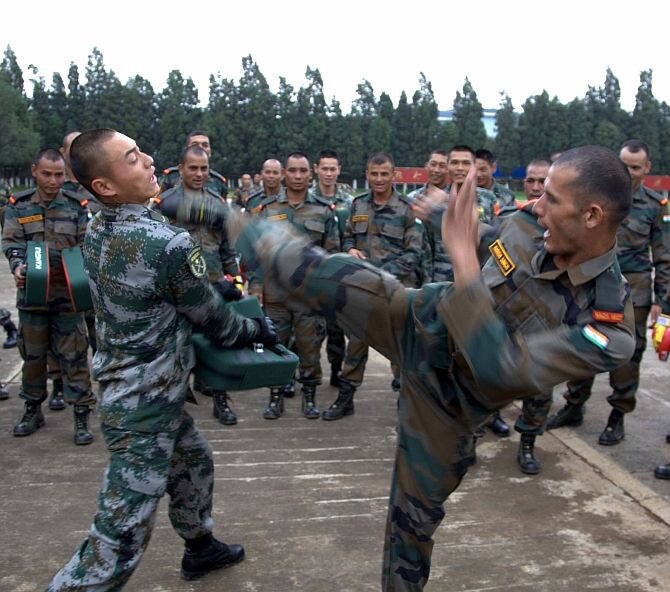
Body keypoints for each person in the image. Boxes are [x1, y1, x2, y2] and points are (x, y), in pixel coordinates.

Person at [231, 145, 636, 591]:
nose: (537, 205)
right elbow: (492, 240)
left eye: (552, 199)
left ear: (593, 215)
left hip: (448, 405)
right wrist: (451, 216)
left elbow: (500, 369)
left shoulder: (607, 326)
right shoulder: (525, 224)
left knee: (411, 523)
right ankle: (217, 220)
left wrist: (463, 261)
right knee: (319, 271)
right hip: (417, 320)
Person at [45, 128, 278, 590]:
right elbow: (214, 321)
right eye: (132, 158)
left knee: (193, 463)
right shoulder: (166, 242)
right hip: (143, 404)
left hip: (139, 388)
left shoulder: (98, 226)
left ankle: (199, 546)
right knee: (117, 540)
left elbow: (158, 291)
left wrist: (212, 287)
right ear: (104, 186)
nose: (150, 160)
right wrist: (254, 329)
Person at [547, 140, 670, 446]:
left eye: (635, 167)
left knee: (628, 354)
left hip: (635, 291)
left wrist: (661, 302)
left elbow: (664, 256)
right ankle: (574, 405)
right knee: (582, 341)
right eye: (624, 164)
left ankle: (618, 415)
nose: (629, 172)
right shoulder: (595, 195)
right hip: (592, 283)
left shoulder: (655, 206)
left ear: (647, 169)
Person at [2, 149, 95, 445]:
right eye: (47, 174)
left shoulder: (76, 206)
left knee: (75, 355)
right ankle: (32, 409)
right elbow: (12, 242)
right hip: (32, 295)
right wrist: (18, 267)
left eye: (58, 174)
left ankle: (81, 413)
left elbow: (87, 245)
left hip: (68, 295)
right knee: (32, 356)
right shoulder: (19, 206)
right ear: (34, 171)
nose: (53, 181)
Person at [322, 152, 422, 420]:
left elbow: (414, 254)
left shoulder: (406, 208)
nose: (379, 179)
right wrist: (351, 249)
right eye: (374, 174)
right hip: (362, 293)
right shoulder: (357, 206)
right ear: (367, 174)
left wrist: (380, 275)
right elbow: (346, 239)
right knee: (355, 345)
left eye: (384, 174)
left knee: (400, 349)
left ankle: (408, 404)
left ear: (393, 175)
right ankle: (346, 398)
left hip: (395, 292)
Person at [152, 145, 243, 426]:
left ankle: (221, 401)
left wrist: (236, 278)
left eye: (204, 168)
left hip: (213, 286)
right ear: (181, 168)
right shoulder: (165, 203)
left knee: (219, 343)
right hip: (177, 290)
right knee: (176, 350)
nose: (199, 173)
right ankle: (174, 408)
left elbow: (227, 247)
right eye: (193, 168)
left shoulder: (217, 202)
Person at [249, 151, 340, 420]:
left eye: (302, 171)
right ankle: (275, 397)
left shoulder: (323, 211)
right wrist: (255, 289)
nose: (298, 176)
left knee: (310, 348)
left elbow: (333, 254)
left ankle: (309, 396)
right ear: (284, 173)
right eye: (293, 171)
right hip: (276, 294)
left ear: (310, 173)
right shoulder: (268, 209)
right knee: (277, 346)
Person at [506, 157, 554, 473]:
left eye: (542, 183)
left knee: (539, 390)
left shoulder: (568, 224)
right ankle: (469, 440)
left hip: (546, 321)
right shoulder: (510, 221)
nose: (535, 188)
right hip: (508, 317)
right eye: (531, 181)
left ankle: (527, 444)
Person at [312, 149, 354, 385]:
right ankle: (307, 373)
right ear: (316, 169)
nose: (329, 173)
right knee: (309, 329)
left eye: (333, 169)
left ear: (339, 170)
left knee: (337, 328)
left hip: (341, 276)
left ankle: (337, 370)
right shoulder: (307, 198)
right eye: (324, 168)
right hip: (313, 275)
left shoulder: (349, 202)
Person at [159, 131, 228, 196]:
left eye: (205, 145)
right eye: (195, 144)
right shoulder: (170, 177)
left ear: (210, 151)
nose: (200, 148)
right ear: (186, 149)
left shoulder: (218, 182)